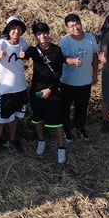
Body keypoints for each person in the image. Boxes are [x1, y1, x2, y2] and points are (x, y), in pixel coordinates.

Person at [0, 15, 29, 162]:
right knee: (0, 121)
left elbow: (29, 56)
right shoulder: (0, 43)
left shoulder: (24, 43)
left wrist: (25, 55)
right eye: (13, 28)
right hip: (5, 90)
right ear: (8, 30)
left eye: (18, 28)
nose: (16, 31)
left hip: (21, 88)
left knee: (15, 116)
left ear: (22, 30)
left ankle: (12, 140)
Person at [25, 22, 68, 164]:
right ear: (35, 37)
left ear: (48, 33)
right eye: (38, 34)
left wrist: (50, 89)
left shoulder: (56, 50)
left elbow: (59, 71)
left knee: (57, 120)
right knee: (37, 117)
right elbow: (23, 55)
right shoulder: (33, 51)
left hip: (53, 89)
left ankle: (61, 147)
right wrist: (21, 54)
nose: (42, 36)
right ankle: (41, 140)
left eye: (44, 33)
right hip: (36, 89)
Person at [58, 13, 99, 142]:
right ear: (67, 28)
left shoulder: (90, 37)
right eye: (71, 26)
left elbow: (95, 57)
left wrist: (94, 74)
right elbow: (63, 58)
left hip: (85, 80)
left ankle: (81, 128)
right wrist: (73, 61)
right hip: (68, 81)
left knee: (82, 107)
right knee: (65, 108)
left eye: (77, 24)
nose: (75, 28)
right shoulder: (65, 41)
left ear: (81, 23)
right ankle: (66, 131)